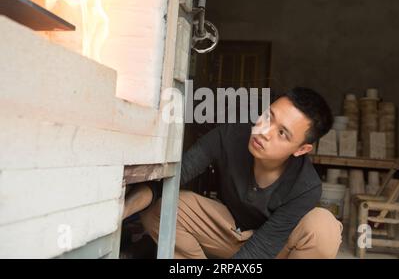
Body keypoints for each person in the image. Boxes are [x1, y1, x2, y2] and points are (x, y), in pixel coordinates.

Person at [124, 87, 343, 259]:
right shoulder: (231, 135)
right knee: (165, 206)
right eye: (268, 116)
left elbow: (263, 248)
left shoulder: (306, 186)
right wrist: (122, 210)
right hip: (229, 233)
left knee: (323, 227)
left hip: (276, 248)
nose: (264, 131)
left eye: (282, 133)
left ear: (301, 149)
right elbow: (174, 177)